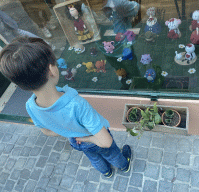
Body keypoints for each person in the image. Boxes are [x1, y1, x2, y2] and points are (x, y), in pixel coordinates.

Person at [0, 37, 131, 178]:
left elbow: (46, 131)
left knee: (94, 158)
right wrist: (88, 139)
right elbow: (106, 142)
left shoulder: (30, 106)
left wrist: (72, 134)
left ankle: (106, 172)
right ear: (51, 70)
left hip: (76, 141)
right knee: (111, 153)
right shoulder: (76, 104)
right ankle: (123, 166)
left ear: (20, 85)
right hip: (92, 139)